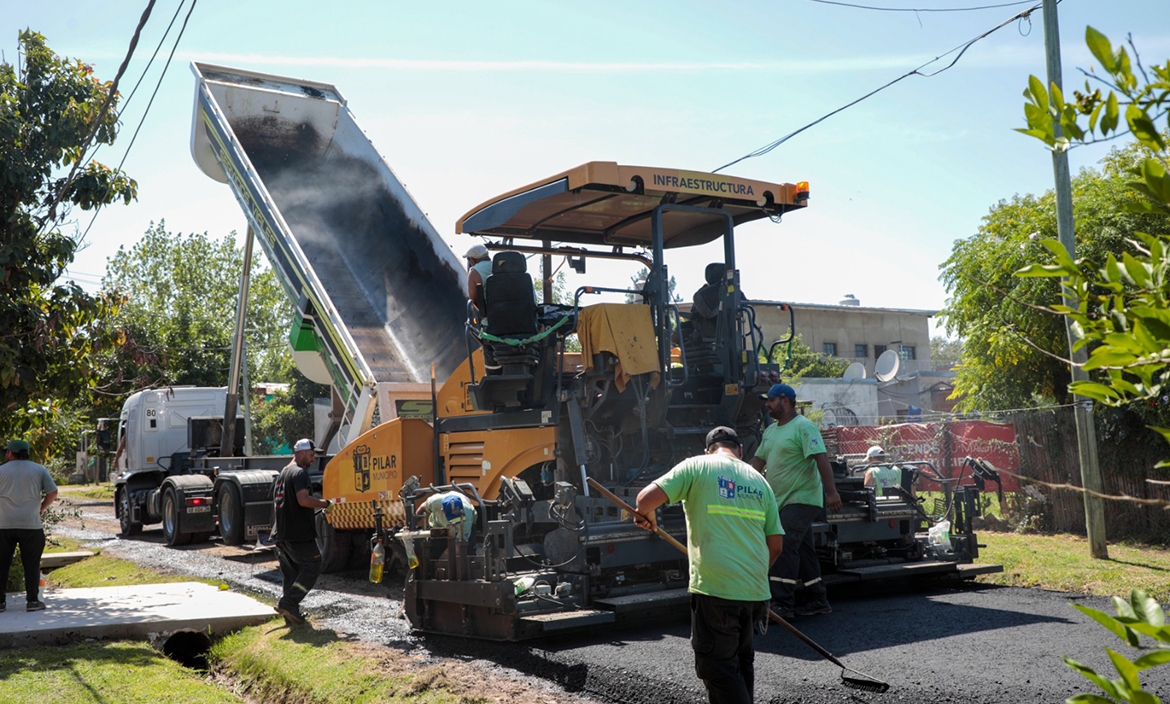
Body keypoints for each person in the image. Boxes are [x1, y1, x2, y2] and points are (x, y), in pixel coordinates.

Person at [634, 426, 783, 704]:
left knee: (719, 669)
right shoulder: (759, 481)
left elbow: (644, 500)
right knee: (740, 665)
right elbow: (775, 545)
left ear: (708, 450)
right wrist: (753, 576)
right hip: (755, 590)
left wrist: (647, 515)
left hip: (716, 588)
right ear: (739, 450)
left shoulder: (696, 466)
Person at [750, 383, 841, 619]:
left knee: (784, 544)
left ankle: (782, 603)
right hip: (779, 501)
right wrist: (744, 482)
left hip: (802, 498)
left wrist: (831, 493)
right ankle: (817, 599)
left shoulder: (804, 427)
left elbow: (821, 459)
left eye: (771, 400)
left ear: (785, 401)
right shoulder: (770, 431)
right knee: (803, 547)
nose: (767, 405)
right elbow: (758, 462)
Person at [271, 438, 331, 625]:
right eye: (312, 455)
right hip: (298, 533)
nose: (313, 459)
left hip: (282, 532)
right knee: (313, 565)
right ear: (302, 453)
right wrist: (324, 503)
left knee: (292, 573)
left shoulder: (284, 473)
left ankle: (291, 614)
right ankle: (289, 602)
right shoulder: (300, 474)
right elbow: (303, 500)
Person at [0, 439, 58, 613]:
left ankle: (0, 603)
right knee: (32, 564)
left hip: (3, 525)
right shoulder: (39, 470)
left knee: (1, 564)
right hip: (31, 525)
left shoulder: (1, 471)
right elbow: (53, 492)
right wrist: (42, 507)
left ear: (10, 453)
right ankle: (32, 601)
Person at [465, 243, 493, 316]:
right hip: (507, 316)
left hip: (488, 321)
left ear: (473, 259)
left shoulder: (474, 273)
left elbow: (474, 300)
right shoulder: (499, 267)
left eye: (468, 259)